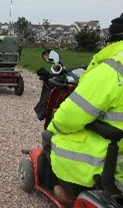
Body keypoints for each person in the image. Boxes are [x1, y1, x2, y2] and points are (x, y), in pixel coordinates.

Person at [42, 12, 123, 205]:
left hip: (116, 162)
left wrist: (54, 127)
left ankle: (70, 193)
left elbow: (68, 118)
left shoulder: (112, 70)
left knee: (49, 137)